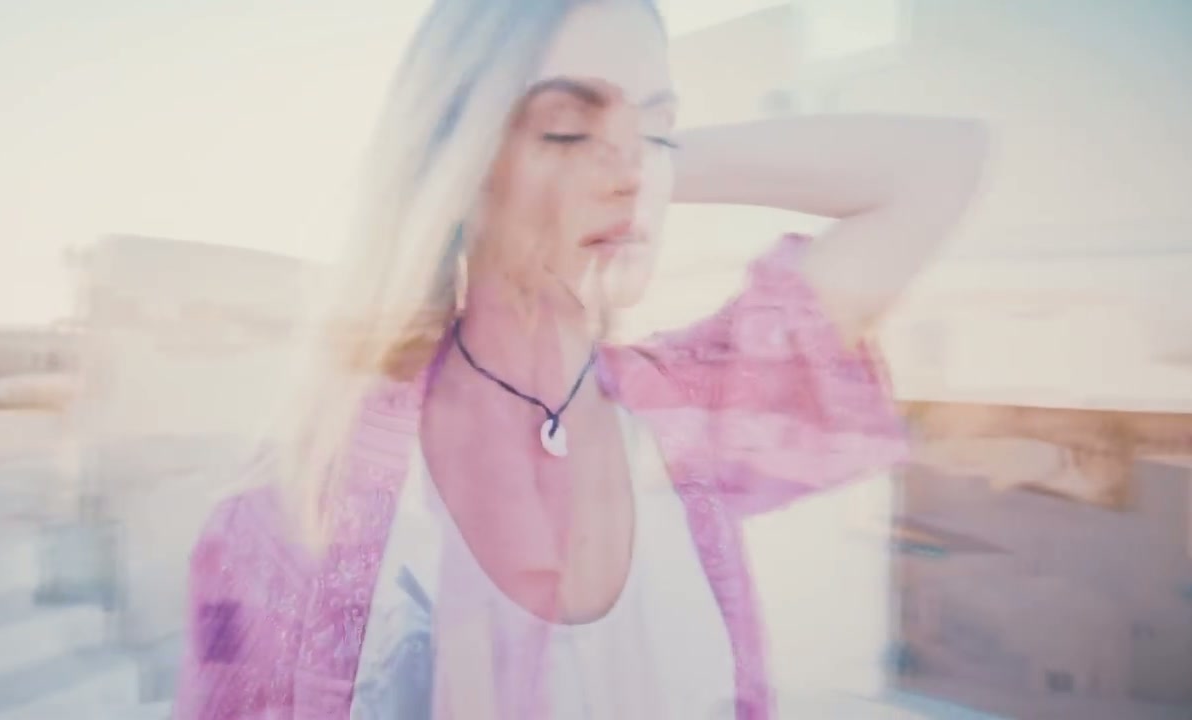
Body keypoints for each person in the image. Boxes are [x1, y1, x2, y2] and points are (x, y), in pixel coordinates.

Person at [173, 0, 987, 718]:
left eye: (655, 129)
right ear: (459, 162)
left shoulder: (689, 412)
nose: (629, 172)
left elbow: (937, 166)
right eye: (566, 127)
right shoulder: (292, 517)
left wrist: (640, 160)